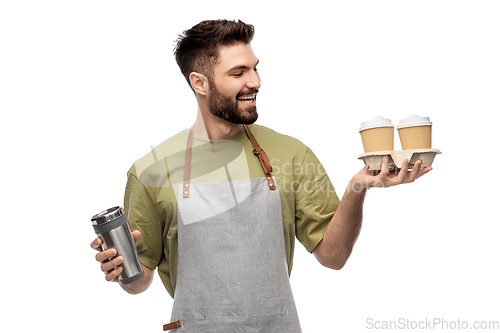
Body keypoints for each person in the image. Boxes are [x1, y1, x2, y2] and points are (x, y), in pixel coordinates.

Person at [91, 19, 431, 332]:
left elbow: (333, 257)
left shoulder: (291, 153)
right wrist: (121, 271)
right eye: (238, 72)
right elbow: (140, 281)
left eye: (254, 69)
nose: (255, 81)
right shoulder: (152, 170)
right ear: (200, 82)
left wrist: (359, 186)